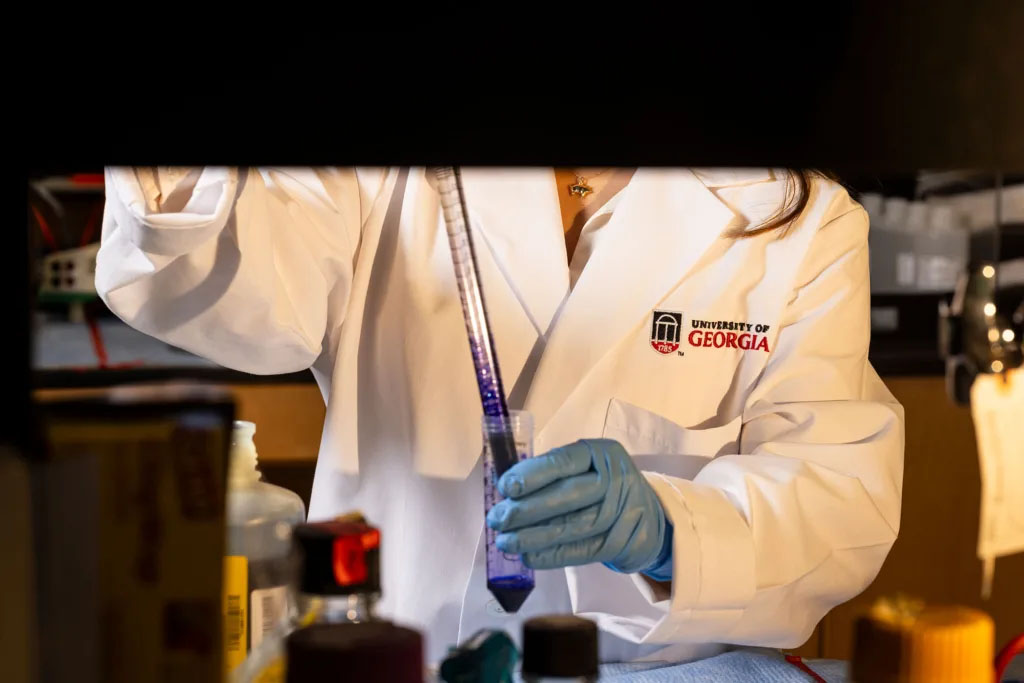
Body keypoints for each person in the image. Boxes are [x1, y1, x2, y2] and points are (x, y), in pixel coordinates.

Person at [96, 165, 904, 665]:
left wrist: (670, 529)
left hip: (660, 669)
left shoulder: (800, 220)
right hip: (393, 650)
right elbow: (223, 288)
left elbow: (838, 492)